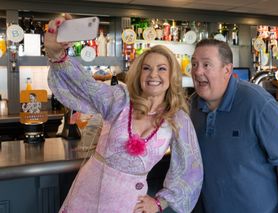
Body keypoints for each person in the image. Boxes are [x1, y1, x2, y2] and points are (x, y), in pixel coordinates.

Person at [44, 14, 203, 213]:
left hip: (128, 203)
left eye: (162, 69)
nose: (153, 75)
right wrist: (58, 55)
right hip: (87, 193)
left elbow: (190, 170)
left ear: (172, 76)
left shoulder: (178, 119)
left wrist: (159, 202)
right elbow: (85, 86)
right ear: (139, 73)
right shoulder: (120, 99)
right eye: (147, 68)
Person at [190, 39, 278, 213]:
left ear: (227, 70)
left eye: (206, 65)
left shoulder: (257, 102)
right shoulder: (192, 105)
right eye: (194, 64)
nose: (197, 71)